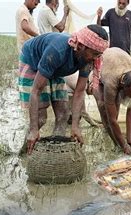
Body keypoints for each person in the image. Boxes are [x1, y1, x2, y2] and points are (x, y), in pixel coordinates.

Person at [19, 25, 109, 154]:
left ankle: (55, 152)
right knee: (40, 119)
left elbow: (79, 92)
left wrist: (75, 127)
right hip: (33, 61)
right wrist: (34, 129)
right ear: (82, 46)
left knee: (63, 115)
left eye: (99, 54)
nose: (96, 58)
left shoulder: (88, 60)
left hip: (55, 68)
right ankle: (25, 152)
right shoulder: (57, 51)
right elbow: (36, 91)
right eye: (94, 54)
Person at [87, 47, 131, 155]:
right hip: (98, 74)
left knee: (116, 110)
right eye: (130, 94)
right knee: (104, 107)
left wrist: (130, 139)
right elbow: (112, 119)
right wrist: (124, 146)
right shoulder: (111, 82)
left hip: (116, 62)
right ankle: (116, 143)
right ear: (123, 85)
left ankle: (122, 139)